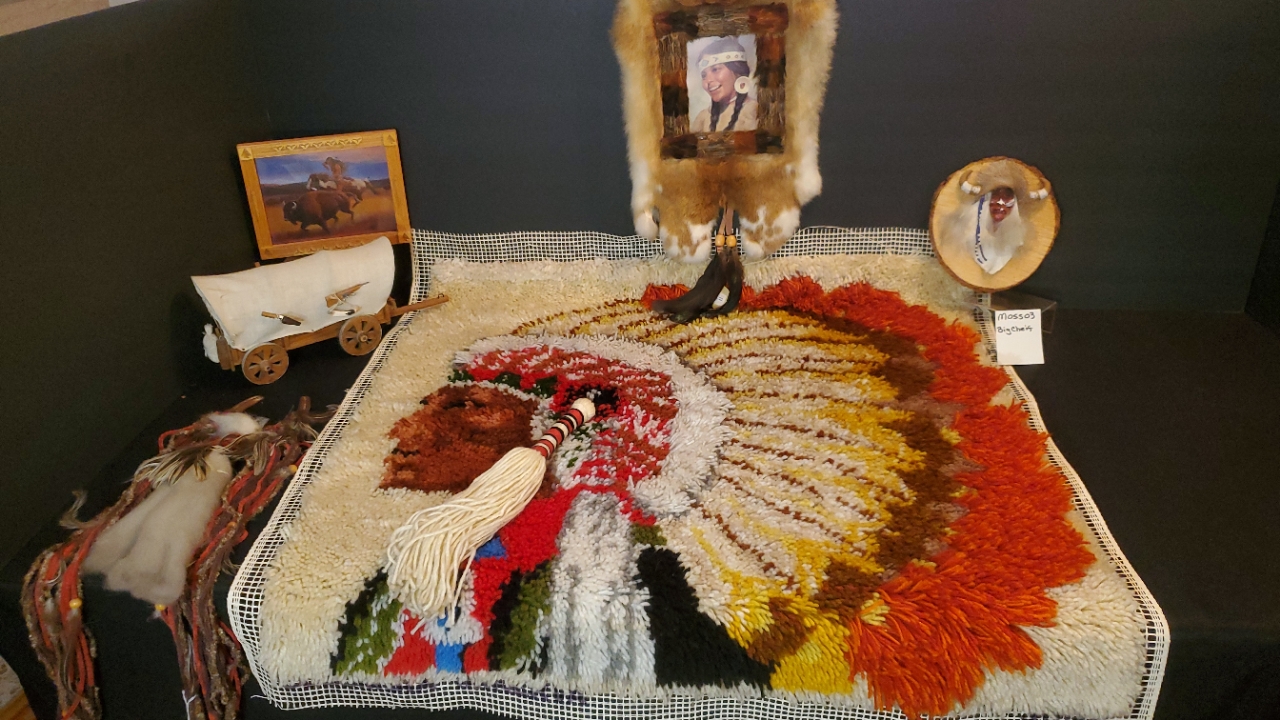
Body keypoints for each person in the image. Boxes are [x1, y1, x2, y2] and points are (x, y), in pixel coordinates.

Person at [690, 37, 759, 133]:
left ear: (737, 71)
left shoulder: (753, 111)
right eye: (704, 75)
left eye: (715, 69)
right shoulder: (703, 118)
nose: (708, 80)